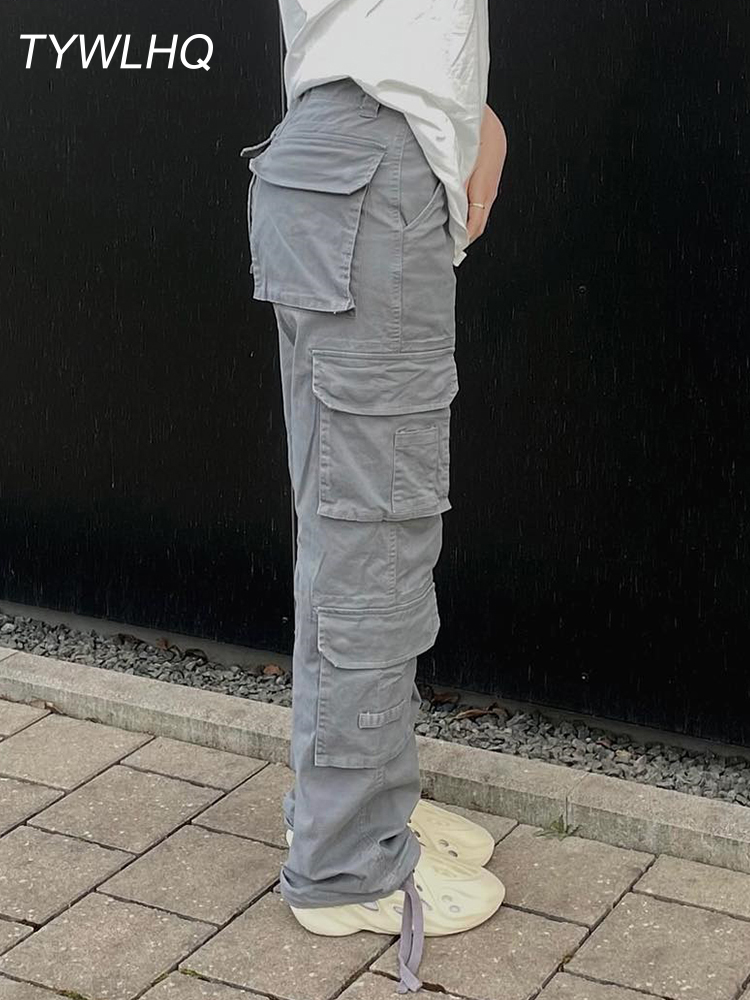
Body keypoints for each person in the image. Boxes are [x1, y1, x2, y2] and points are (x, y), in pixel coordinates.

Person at [239, 0, 507, 992]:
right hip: (371, 165)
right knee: (375, 537)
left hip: (343, 154)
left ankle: (353, 805)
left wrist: (465, 111)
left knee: (352, 529)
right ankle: (348, 862)